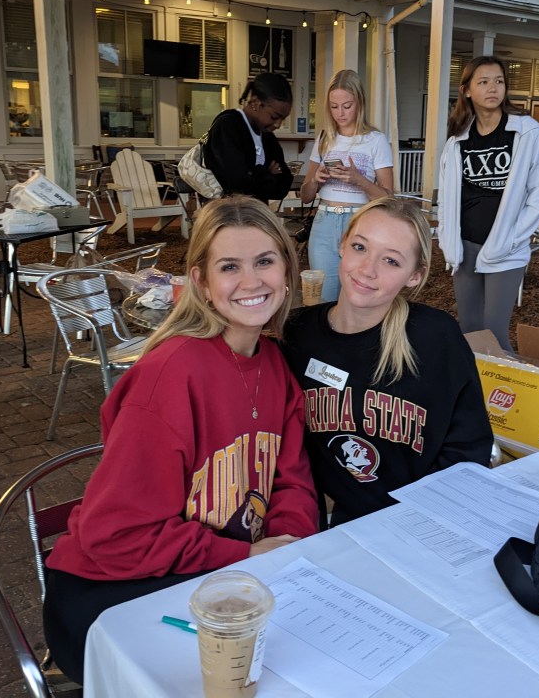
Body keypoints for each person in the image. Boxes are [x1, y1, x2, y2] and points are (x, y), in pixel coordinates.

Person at [43, 196, 319, 684]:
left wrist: (285, 547)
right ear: (201, 282)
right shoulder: (171, 376)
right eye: (229, 267)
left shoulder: (275, 364)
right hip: (117, 592)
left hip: (225, 576)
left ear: (287, 271)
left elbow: (292, 482)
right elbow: (116, 536)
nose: (252, 281)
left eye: (265, 261)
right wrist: (246, 556)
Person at [281, 197, 494, 526]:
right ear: (342, 245)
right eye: (360, 247)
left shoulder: (434, 338)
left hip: (423, 521)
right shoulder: (296, 334)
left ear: (414, 275)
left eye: (391, 261)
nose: (368, 269)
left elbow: (469, 448)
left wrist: (415, 522)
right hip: (340, 526)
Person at [437, 56, 539, 352]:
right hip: (465, 246)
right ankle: (474, 380)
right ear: (467, 90)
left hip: (505, 248)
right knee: (469, 329)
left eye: (499, 81)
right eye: (484, 82)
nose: (493, 88)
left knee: (494, 332)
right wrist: (448, 240)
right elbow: (448, 197)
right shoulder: (457, 140)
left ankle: (505, 380)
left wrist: (514, 239)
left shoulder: (526, 131)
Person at [299, 69, 394, 301]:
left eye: (347, 106)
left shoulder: (376, 140)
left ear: (359, 102)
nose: (340, 113)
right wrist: (316, 179)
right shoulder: (325, 138)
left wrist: (358, 180)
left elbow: (389, 198)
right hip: (324, 221)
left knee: (356, 295)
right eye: (334, 106)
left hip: (359, 221)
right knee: (324, 298)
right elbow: (305, 196)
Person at [204, 72, 295, 204]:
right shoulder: (228, 126)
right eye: (274, 117)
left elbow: (283, 186)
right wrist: (267, 174)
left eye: (283, 119)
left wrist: (254, 174)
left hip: (256, 212)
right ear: (255, 102)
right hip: (225, 211)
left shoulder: (267, 137)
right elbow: (236, 184)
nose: (278, 124)